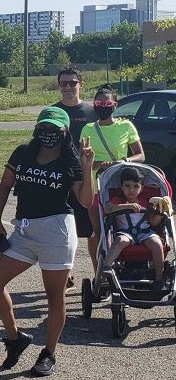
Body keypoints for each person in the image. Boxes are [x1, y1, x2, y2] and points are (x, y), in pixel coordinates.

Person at [0, 107, 95, 377]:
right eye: (43, 128)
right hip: (24, 229)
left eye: (53, 130)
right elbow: (5, 186)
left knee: (54, 296)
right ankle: (15, 337)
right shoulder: (22, 152)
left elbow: (86, 201)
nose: (47, 134)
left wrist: (87, 166)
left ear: (64, 132)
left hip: (57, 231)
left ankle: (49, 353)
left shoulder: (70, 159)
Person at [80, 86, 145, 270]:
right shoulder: (88, 128)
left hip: (120, 184)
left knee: (121, 226)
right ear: (94, 105)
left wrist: (122, 161)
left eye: (107, 103)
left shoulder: (126, 126)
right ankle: (98, 272)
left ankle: (126, 266)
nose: (103, 106)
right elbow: (82, 159)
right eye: (99, 103)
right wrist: (97, 163)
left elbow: (140, 155)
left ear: (114, 105)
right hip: (95, 184)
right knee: (97, 231)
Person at [54, 67, 96, 284]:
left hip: (89, 177)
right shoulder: (53, 112)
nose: (68, 87)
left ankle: (99, 275)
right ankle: (66, 273)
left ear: (81, 83)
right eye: (64, 83)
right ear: (59, 85)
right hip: (62, 179)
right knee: (63, 229)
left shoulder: (92, 112)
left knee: (93, 231)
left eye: (72, 83)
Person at [101, 166, 166, 284]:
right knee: (119, 241)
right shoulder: (117, 200)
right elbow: (107, 209)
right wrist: (127, 206)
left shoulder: (147, 202)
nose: (131, 190)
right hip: (125, 232)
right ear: (121, 187)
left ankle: (159, 277)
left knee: (157, 244)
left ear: (142, 188)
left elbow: (153, 222)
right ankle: (107, 268)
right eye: (127, 186)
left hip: (145, 232)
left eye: (136, 186)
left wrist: (159, 213)